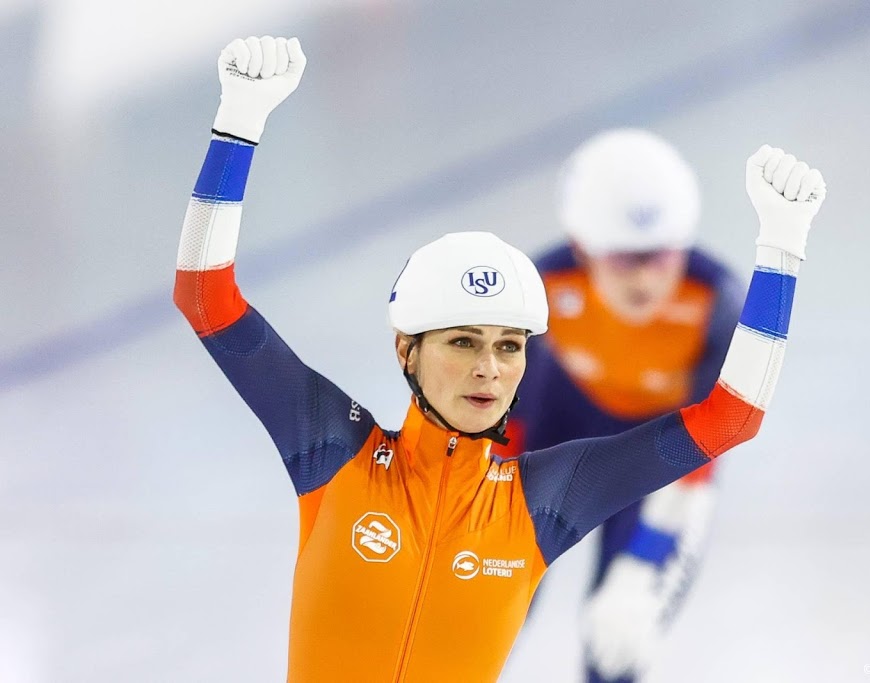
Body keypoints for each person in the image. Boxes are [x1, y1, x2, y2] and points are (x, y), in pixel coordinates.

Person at [172, 35, 827, 683]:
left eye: (510, 346)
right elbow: (207, 298)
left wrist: (782, 251)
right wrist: (238, 125)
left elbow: (730, 419)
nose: (490, 367)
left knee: (619, 641)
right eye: (463, 341)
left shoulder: (543, 500)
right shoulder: (332, 449)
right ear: (407, 348)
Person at [494, 129, 744, 682]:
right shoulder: (536, 284)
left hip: (658, 464)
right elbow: (503, 421)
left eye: (661, 257)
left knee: (616, 646)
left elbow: (706, 448)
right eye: (626, 259)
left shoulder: (717, 303)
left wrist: (650, 555)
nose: (647, 277)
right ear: (584, 250)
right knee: (488, 620)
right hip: (559, 435)